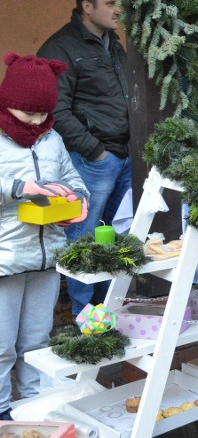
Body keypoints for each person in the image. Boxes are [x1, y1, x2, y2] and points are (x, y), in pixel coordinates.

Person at [0, 53, 89, 421]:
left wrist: (78, 203)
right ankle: (3, 412)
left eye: (43, 114)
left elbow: (73, 178)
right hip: (5, 259)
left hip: (47, 258)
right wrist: (23, 187)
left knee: (37, 343)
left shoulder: (52, 139)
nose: (37, 121)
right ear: (8, 104)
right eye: (29, 113)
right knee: (2, 346)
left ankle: (32, 410)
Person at [37, 0, 132, 318]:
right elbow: (55, 110)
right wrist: (95, 151)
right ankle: (85, 321)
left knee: (114, 237)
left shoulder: (113, 42)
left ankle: (110, 313)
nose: (117, 9)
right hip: (92, 160)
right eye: (109, 3)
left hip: (122, 156)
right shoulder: (60, 47)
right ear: (86, 7)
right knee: (84, 239)